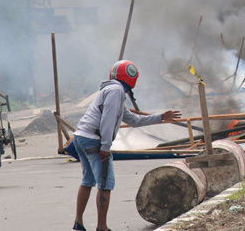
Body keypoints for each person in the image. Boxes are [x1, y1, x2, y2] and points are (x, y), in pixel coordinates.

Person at [72, 60, 181, 231]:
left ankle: (78, 223)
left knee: (88, 180)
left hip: (81, 137)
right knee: (105, 183)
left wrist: (160, 117)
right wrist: (105, 147)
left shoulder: (111, 90)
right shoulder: (116, 91)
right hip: (94, 140)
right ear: (131, 78)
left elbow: (134, 120)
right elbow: (107, 119)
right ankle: (102, 227)